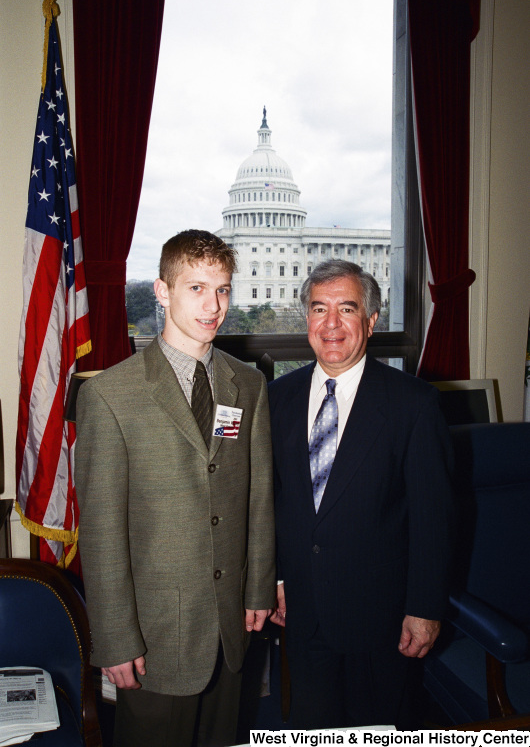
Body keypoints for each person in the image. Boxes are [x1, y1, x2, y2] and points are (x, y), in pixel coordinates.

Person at [75, 230, 276, 747]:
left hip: (231, 624)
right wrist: (116, 639)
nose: (213, 306)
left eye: (223, 290)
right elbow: (101, 534)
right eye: (196, 288)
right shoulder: (110, 395)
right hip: (155, 635)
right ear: (162, 291)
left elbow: (257, 499)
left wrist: (256, 589)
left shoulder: (247, 384)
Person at [268, 259, 453, 730]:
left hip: (381, 620)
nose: (331, 324)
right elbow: (269, 503)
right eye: (318, 308)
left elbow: (435, 519)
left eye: (346, 309)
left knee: (375, 731)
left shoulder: (414, 403)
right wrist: (278, 580)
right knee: (308, 728)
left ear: (370, 322)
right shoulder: (276, 399)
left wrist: (424, 608)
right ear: (305, 318)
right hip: (301, 612)